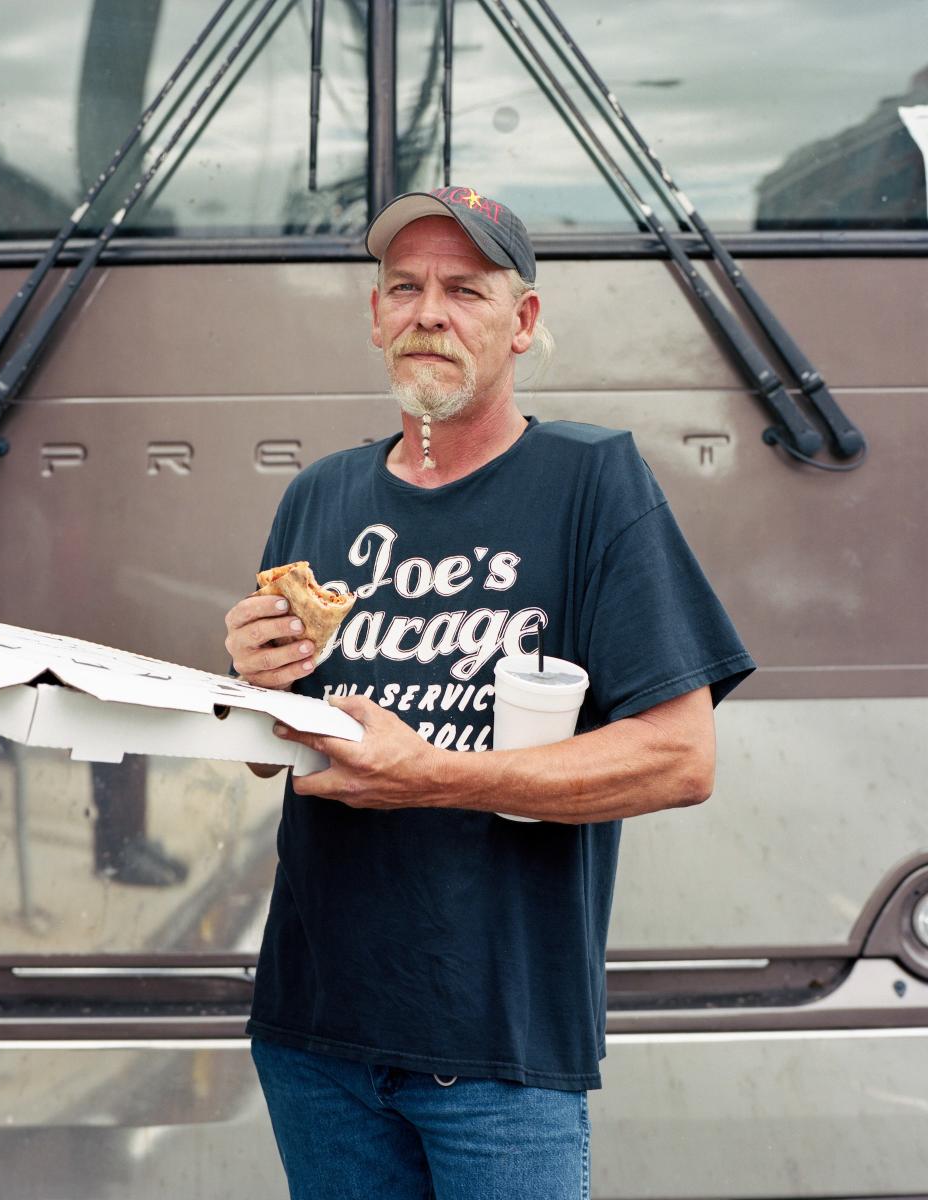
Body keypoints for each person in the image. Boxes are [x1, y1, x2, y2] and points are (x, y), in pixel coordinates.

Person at [224, 186, 756, 1199]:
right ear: (376, 317)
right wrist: (253, 687)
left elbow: (681, 757)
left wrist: (433, 775)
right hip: (314, 1036)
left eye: (466, 289)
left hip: (499, 1049)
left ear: (523, 324)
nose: (430, 312)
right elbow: (274, 752)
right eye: (404, 288)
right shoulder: (319, 495)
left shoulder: (591, 482)